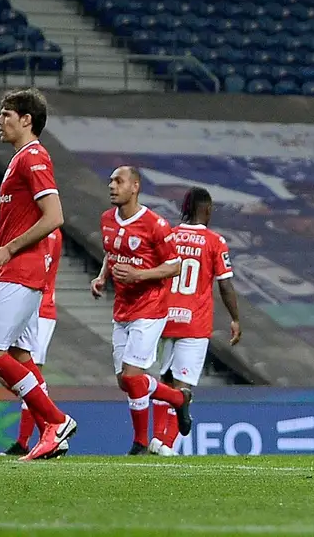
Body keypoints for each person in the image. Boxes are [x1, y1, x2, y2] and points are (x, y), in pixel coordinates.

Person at [0, 88, 76, 462]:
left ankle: (55, 421)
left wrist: (9, 250)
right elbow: (22, 222)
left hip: (23, 270)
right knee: (19, 354)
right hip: (18, 268)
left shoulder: (34, 158)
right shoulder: (20, 160)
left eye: (6, 113)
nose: (0, 120)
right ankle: (50, 430)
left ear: (26, 120)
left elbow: (55, 216)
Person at [90, 165, 188, 455]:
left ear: (135, 187)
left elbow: (175, 265)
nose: (111, 186)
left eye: (118, 181)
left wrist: (139, 275)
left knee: (133, 376)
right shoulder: (107, 219)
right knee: (124, 381)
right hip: (122, 309)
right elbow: (112, 253)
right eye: (110, 181)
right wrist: (101, 277)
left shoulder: (155, 224)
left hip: (151, 307)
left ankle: (140, 444)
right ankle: (179, 399)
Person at [152, 187, 239, 452]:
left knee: (164, 380)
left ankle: (156, 439)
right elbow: (225, 285)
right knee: (183, 385)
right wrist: (235, 318)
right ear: (208, 209)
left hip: (165, 320)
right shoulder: (215, 242)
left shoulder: (170, 236)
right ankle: (166, 445)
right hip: (194, 324)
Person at [2, 228, 63, 457]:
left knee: (29, 371)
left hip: (39, 307)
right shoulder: (32, 224)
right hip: (26, 303)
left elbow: (40, 266)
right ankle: (46, 432)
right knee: (10, 371)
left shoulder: (48, 229)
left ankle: (35, 437)